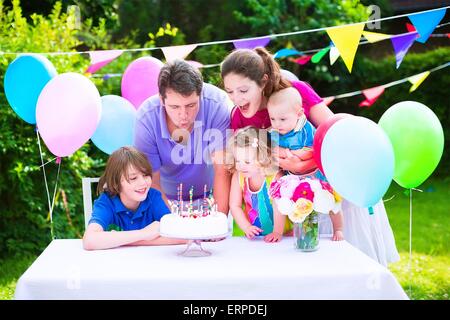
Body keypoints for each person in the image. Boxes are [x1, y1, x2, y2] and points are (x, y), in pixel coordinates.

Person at [221, 47, 399, 265]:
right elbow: (239, 163)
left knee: (343, 252)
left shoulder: (296, 93)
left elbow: (337, 138)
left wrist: (307, 161)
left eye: (243, 90)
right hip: (294, 197)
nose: (236, 99)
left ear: (263, 81)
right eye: (229, 91)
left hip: (327, 180)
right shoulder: (239, 119)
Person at [134, 59, 231, 214]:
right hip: (164, 198)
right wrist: (175, 222)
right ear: (161, 99)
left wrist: (217, 222)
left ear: (200, 94)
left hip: (213, 196)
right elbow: (152, 182)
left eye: (191, 105)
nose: (183, 115)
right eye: (174, 107)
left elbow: (222, 170)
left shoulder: (218, 105)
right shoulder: (146, 118)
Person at [267, 87, 344, 241]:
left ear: (299, 113)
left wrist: (288, 153)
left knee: (331, 201)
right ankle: (282, 231)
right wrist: (289, 154)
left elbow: (311, 152)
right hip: (293, 177)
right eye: (272, 119)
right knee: (288, 201)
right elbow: (273, 152)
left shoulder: (305, 129)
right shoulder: (274, 132)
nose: (277, 124)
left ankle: (338, 228)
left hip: (315, 174)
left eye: (282, 119)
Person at [83, 146, 186, 250]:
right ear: (116, 183)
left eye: (145, 175)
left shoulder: (153, 197)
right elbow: (90, 240)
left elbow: (180, 236)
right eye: (133, 178)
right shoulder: (107, 202)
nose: (143, 183)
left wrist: (122, 241)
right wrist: (144, 234)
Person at [226, 126, 286, 242]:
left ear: (263, 157)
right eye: (238, 160)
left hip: (278, 232)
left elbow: (279, 207)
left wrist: (277, 232)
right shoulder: (238, 176)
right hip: (249, 235)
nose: (241, 165)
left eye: (247, 161)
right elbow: (234, 205)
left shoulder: (275, 177)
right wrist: (246, 227)